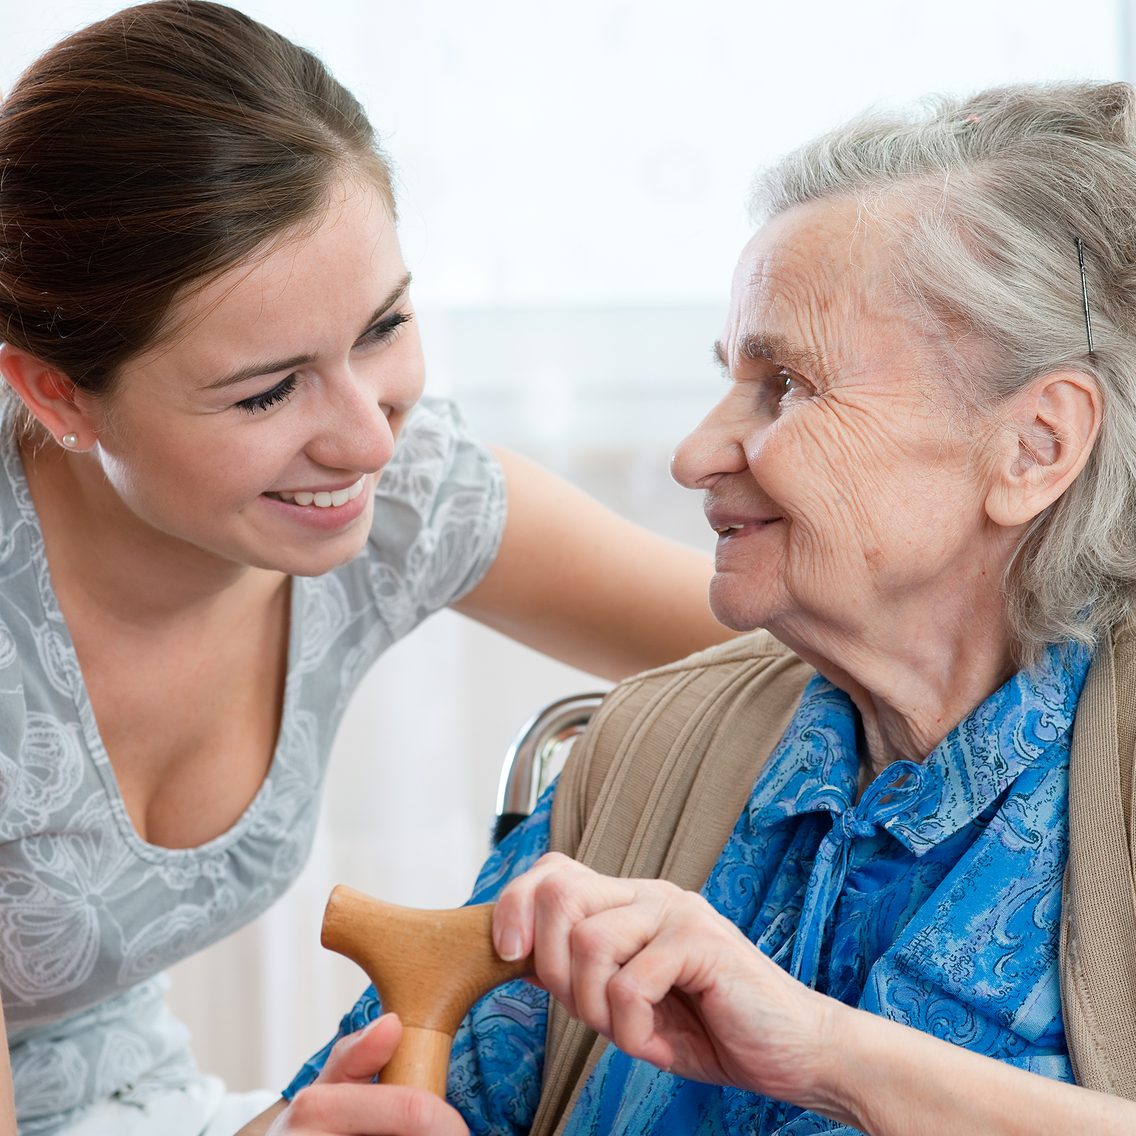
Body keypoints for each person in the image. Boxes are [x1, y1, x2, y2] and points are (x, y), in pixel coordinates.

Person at [253, 80, 1136, 1134]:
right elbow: (347, 1103)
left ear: (1033, 444)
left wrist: (828, 1054)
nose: (690, 455)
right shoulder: (648, 744)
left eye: (787, 386)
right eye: (729, 377)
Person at [0, 3, 735, 1132]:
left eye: (383, 325)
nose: (368, 438)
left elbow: (785, 637)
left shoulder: (400, 490)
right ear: (55, 392)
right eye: (264, 390)